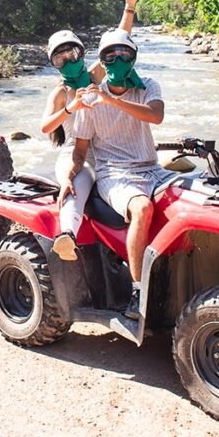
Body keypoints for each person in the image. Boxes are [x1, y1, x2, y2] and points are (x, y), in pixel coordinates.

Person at [60, 29, 172, 320]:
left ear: (133, 58)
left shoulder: (147, 85)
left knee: (195, 197)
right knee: (143, 207)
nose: (117, 59)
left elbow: (155, 115)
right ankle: (138, 292)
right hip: (115, 174)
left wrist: (111, 100)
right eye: (110, 55)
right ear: (102, 60)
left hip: (152, 167)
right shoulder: (89, 102)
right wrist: (69, 176)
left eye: (124, 54)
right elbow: (80, 151)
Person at [41, 0, 140, 262]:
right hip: (76, 155)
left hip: (108, 150)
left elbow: (118, 42)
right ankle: (67, 236)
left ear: (82, 53)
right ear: (54, 64)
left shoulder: (95, 75)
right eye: (61, 59)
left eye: (72, 54)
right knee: (76, 184)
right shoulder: (61, 92)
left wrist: (129, 6)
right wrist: (70, 108)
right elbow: (45, 126)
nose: (69, 61)